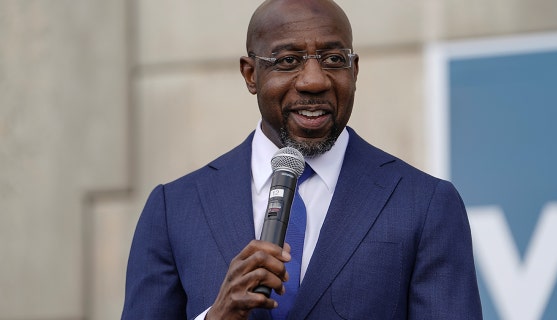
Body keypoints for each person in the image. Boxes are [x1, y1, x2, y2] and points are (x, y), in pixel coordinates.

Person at [122, 0, 482, 319]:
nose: (313, 81)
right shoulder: (175, 209)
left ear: (354, 71)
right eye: (288, 60)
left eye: (333, 60)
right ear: (251, 74)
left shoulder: (424, 204)